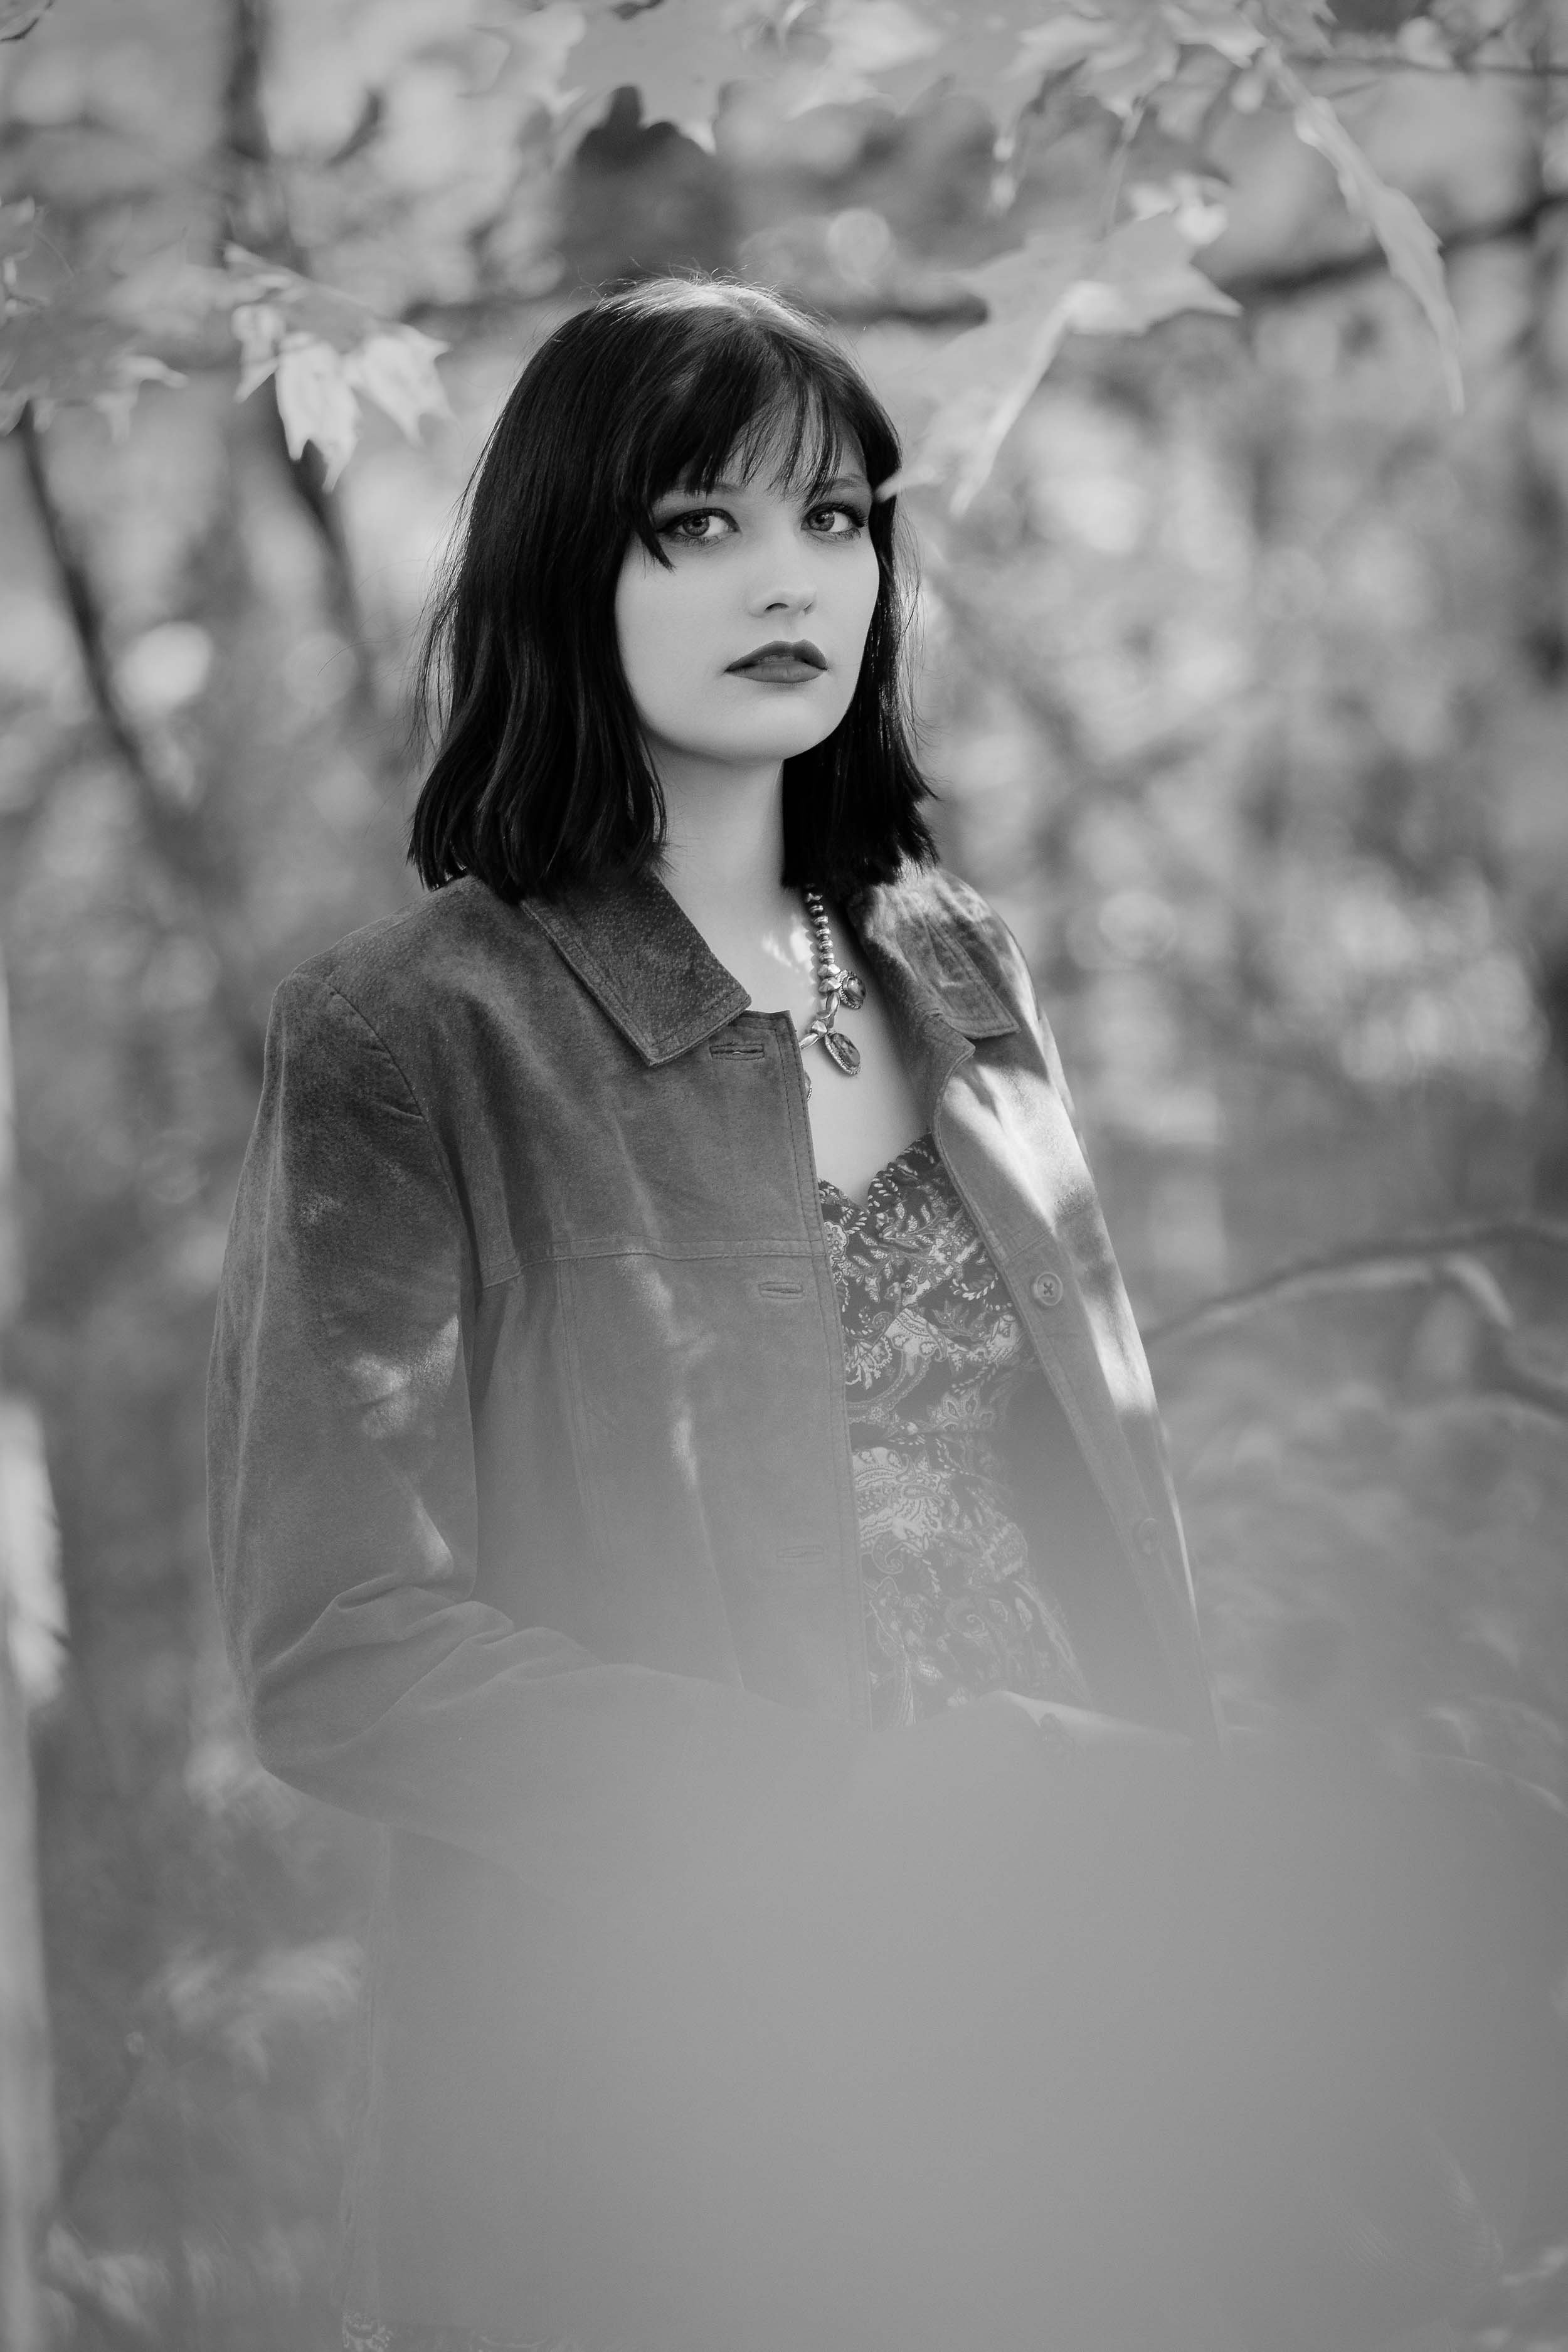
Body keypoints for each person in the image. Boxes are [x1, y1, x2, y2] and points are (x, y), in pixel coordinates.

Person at [207, 277, 1541, 2352]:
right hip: (672, 2047)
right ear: (577, 563)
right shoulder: (410, 1033)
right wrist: (840, 1800)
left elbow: (1101, 1506)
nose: (790, 580)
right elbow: (340, 1654)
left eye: (837, 520)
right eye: (698, 525)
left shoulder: (953, 957)